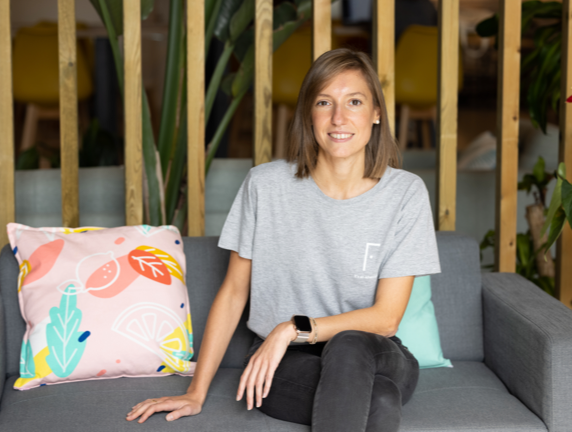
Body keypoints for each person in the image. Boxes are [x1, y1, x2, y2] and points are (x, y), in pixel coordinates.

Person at [125, 48, 441, 431]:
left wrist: (291, 327)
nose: (339, 117)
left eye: (354, 102)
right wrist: (196, 392)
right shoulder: (265, 185)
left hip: (375, 351)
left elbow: (386, 319)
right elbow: (234, 293)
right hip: (284, 361)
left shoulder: (405, 193)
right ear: (309, 113)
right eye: (324, 102)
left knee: (349, 344)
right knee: (380, 400)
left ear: (376, 113)